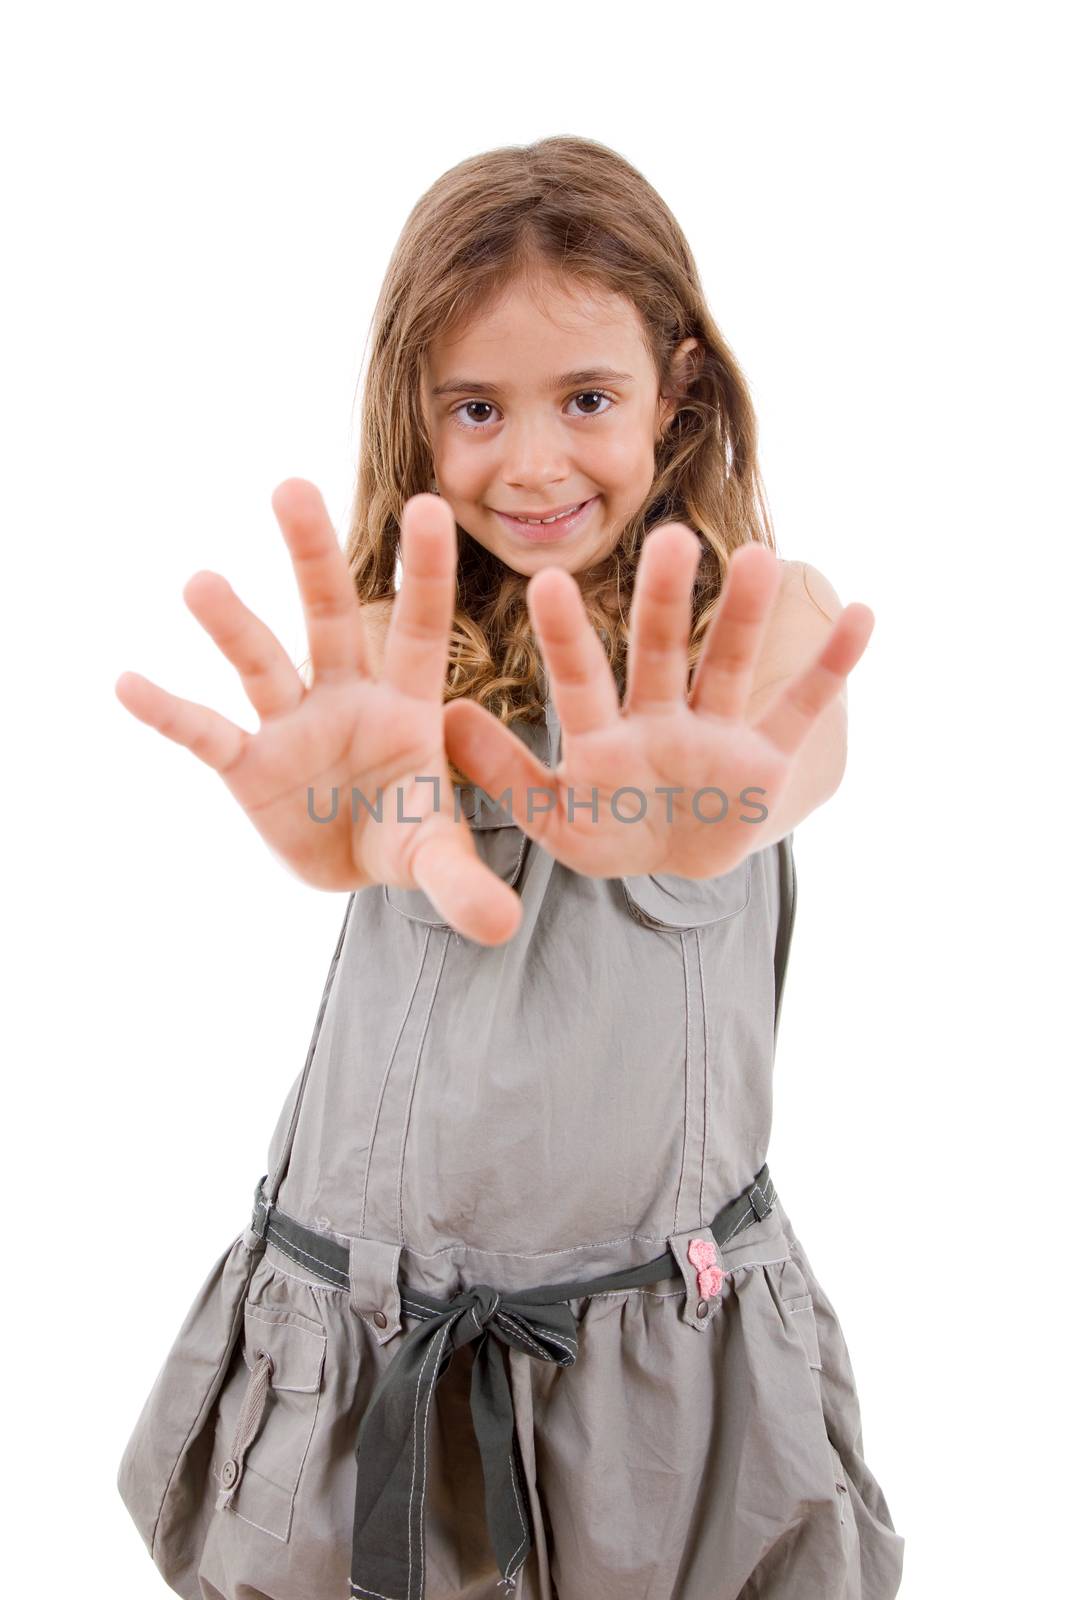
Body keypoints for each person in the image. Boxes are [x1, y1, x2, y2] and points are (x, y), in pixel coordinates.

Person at [113, 135, 905, 1600]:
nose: (532, 462)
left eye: (587, 399)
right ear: (413, 420)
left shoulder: (752, 635)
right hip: (362, 1349)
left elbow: (795, 747)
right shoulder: (392, 658)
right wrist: (352, 824)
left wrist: (694, 823)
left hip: (653, 1383)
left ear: (677, 390)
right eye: (476, 407)